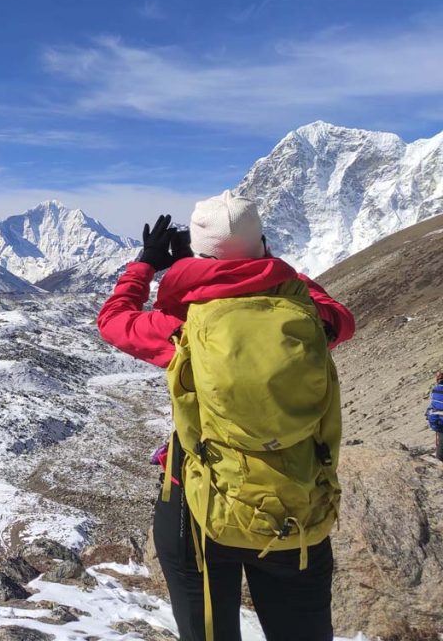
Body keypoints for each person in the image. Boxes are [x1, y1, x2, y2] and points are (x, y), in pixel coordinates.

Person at [97, 192, 355, 641]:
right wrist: (266, 264)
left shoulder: (183, 325)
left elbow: (114, 318)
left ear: (197, 252)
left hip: (201, 505)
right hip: (295, 498)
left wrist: (148, 264)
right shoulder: (309, 319)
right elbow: (339, 316)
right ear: (263, 245)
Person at [427, 370, 443, 461]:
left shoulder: (434, 390)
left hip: (438, 420)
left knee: (441, 442)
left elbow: (432, 404)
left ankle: (439, 461)